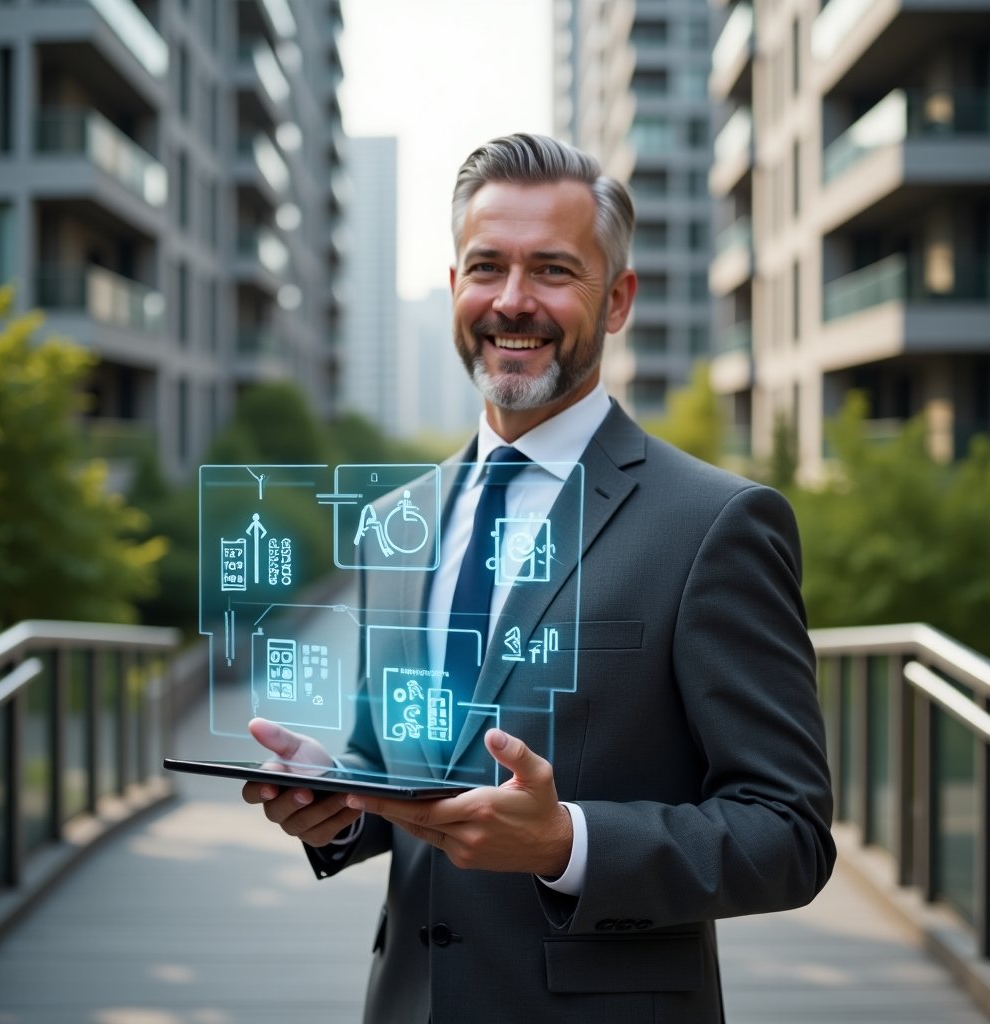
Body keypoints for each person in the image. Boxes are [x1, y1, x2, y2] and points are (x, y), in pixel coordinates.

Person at [243, 133, 835, 1023]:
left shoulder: (716, 524)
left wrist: (568, 842)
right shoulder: (391, 523)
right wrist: (344, 798)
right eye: (487, 267)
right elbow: (399, 762)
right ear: (454, 290)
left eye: (553, 270)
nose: (512, 302)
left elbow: (788, 833)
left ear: (619, 298)